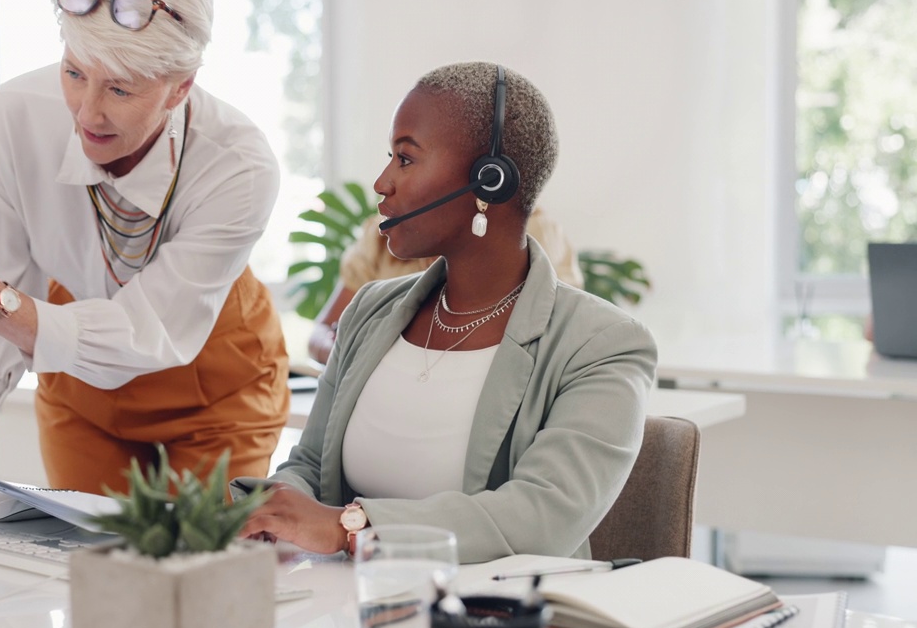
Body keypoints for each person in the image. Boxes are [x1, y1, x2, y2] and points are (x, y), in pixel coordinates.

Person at [0, 0, 289, 496]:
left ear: (178, 89)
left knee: (198, 567)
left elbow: (145, 329)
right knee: (86, 567)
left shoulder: (239, 164)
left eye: (119, 89)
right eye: (74, 73)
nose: (86, 112)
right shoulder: (15, 115)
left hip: (216, 379)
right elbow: (6, 275)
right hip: (76, 383)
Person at [235, 62, 656, 564]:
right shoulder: (371, 310)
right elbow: (308, 463)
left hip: (497, 624)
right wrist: (277, 513)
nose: (382, 182)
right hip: (346, 608)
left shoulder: (602, 344)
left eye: (406, 159)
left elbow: (542, 517)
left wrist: (350, 527)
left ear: (489, 181)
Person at [307, 210, 583, 365]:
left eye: (405, 160)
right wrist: (336, 351)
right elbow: (324, 329)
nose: (381, 182)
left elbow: (560, 341)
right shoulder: (381, 234)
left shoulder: (531, 230)